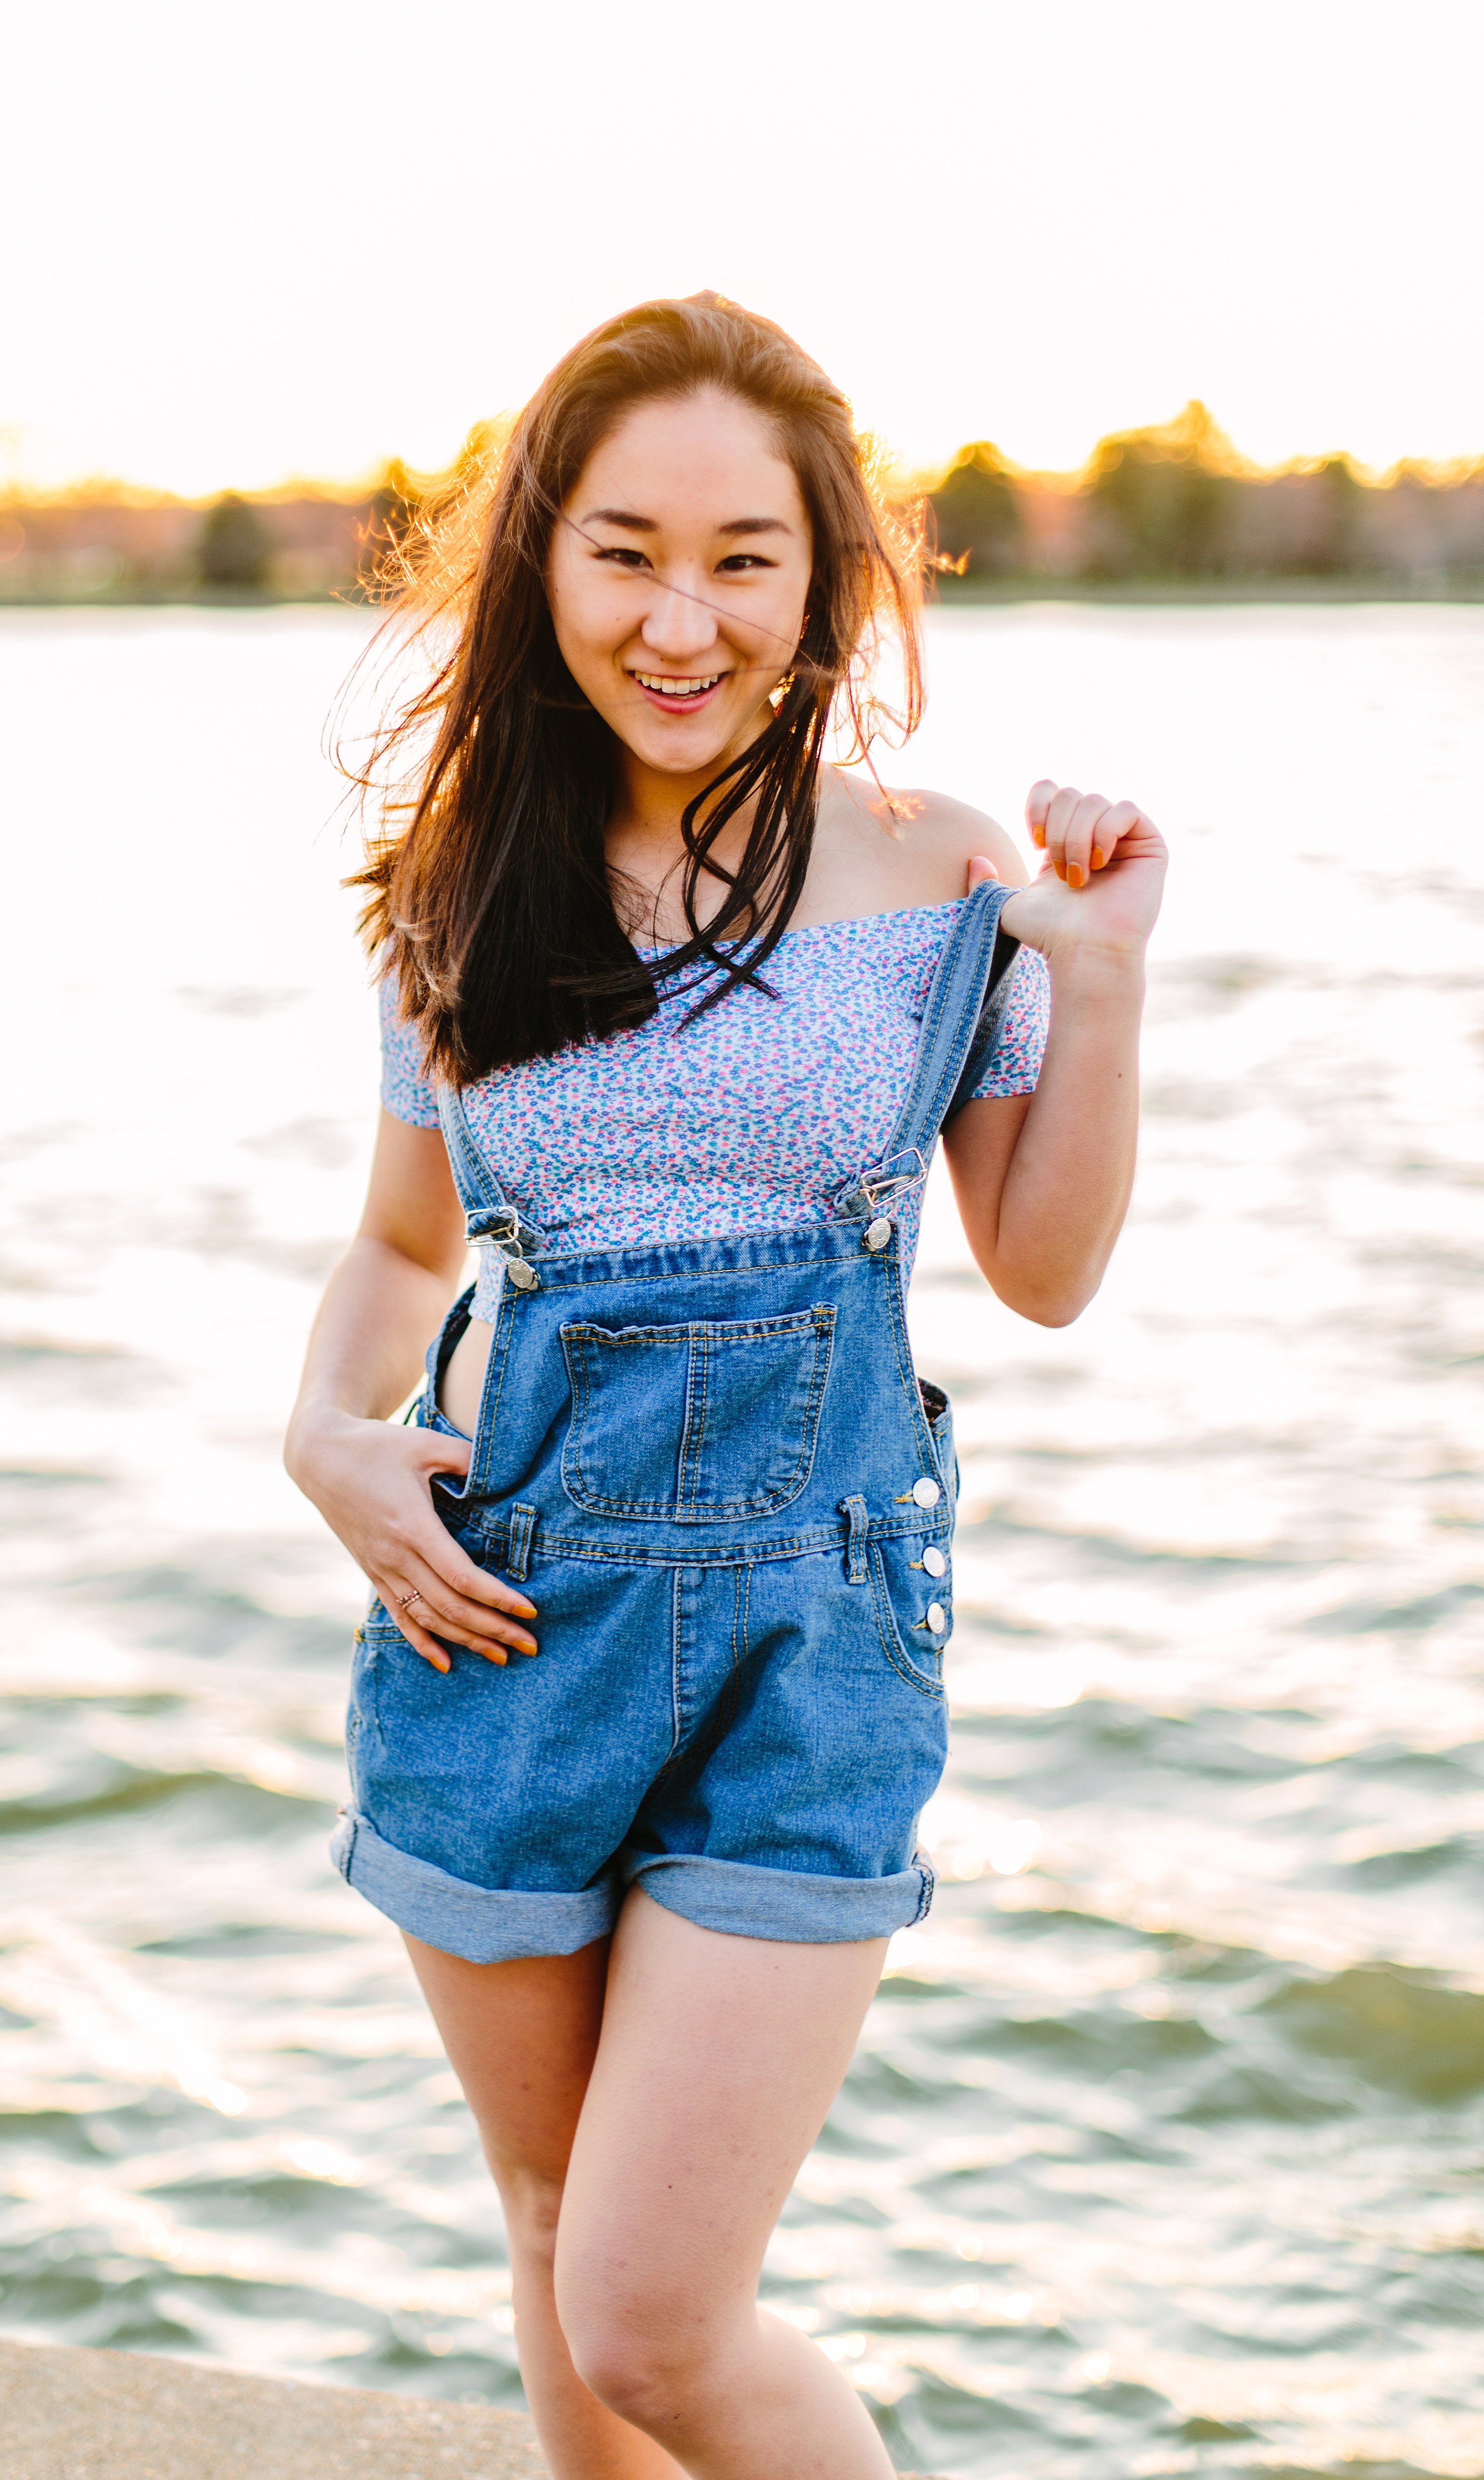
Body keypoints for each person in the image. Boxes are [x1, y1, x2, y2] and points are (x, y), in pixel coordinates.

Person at [285, 293, 1166, 2480]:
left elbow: (1038, 1272)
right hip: (498, 1611)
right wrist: (325, 1434)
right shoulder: (456, 888)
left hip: (813, 1617)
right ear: (540, 561)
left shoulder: (941, 864)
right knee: (548, 2213)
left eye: (743, 555)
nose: (681, 618)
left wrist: (1108, 977)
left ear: (825, 569)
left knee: (655, 2310)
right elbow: (406, 1245)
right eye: (623, 548)